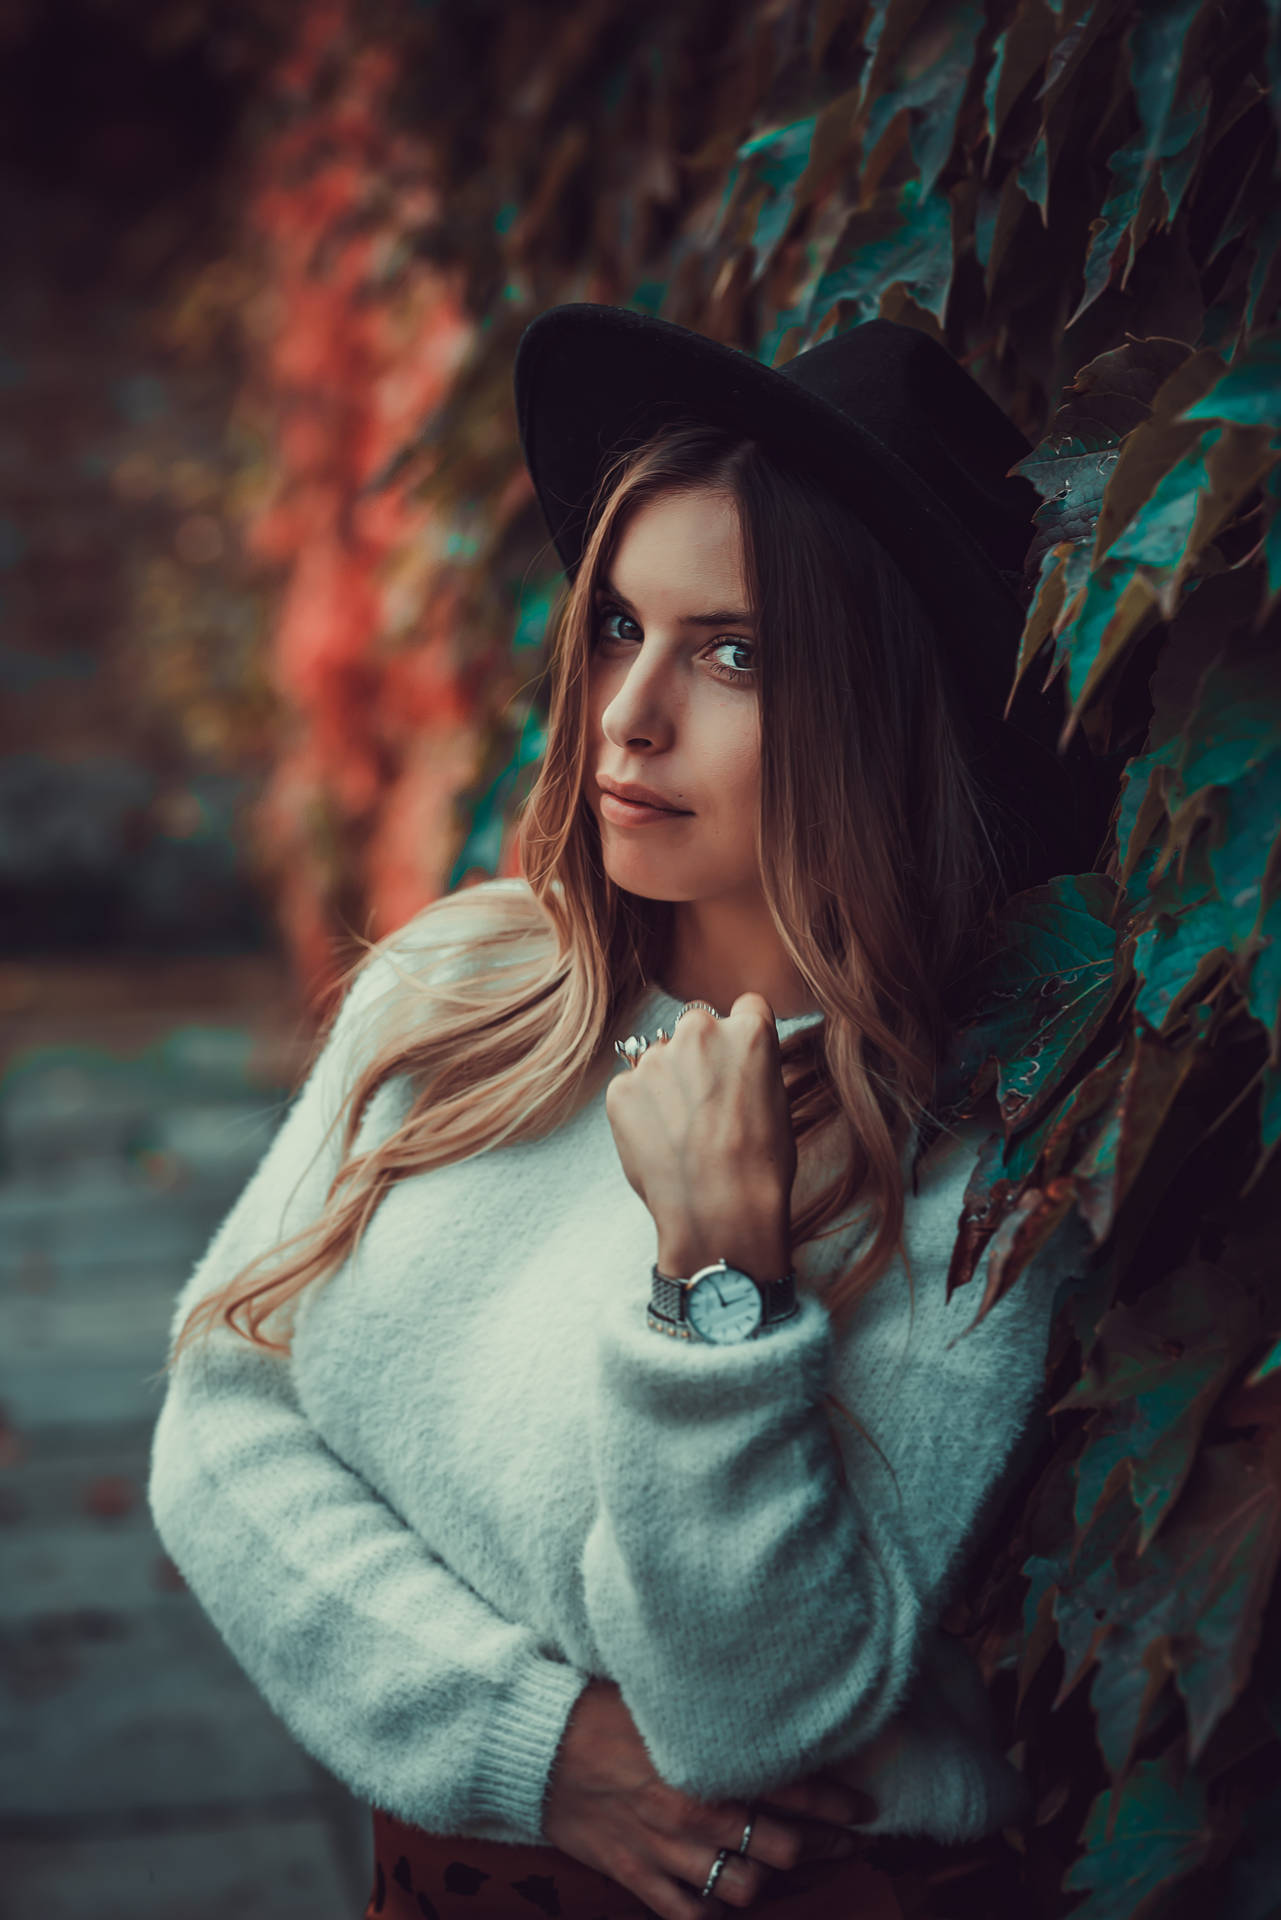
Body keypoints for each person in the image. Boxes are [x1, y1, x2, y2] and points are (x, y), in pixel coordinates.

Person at [147, 305, 1115, 1920]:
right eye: (615, 628)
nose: (629, 714)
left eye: (732, 652)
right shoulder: (457, 992)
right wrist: (533, 1742)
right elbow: (216, 1427)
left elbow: (745, 1717)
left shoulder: (975, 1178)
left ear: (886, 708)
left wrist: (715, 1287)